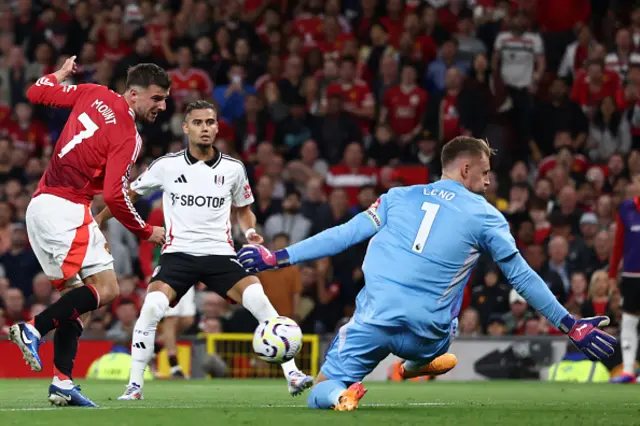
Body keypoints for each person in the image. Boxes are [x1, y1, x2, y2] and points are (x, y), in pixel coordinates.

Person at [239, 136, 617, 411]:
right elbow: (520, 276)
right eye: (484, 173)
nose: (488, 182)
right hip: (429, 332)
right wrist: (569, 324)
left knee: (322, 389)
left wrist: (277, 258)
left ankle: (343, 396)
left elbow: (344, 235)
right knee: (450, 300)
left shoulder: (396, 197)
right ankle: (415, 364)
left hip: (373, 320)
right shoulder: (486, 216)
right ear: (465, 168)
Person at [94, 100, 314, 400]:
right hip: (178, 255)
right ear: (186, 128)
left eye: (210, 122)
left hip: (220, 255)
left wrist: (250, 232)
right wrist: (97, 221)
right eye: (198, 122)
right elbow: (125, 195)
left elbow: (244, 210)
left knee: (258, 299)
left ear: (217, 127)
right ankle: (134, 386)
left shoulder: (233, 169)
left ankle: (292, 374)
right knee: (151, 308)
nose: (205, 128)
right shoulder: (166, 166)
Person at [9, 57, 169, 407]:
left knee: (77, 301)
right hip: (65, 208)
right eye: (156, 98)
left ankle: (62, 381)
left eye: (165, 99)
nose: (163, 106)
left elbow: (36, 92)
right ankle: (32, 328)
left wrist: (58, 75)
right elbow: (114, 194)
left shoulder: (93, 93)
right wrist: (144, 231)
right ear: (133, 94)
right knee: (108, 290)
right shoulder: (129, 136)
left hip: (42, 205)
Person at [608, 185, 640, 383]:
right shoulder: (626, 210)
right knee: (628, 320)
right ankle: (628, 370)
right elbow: (618, 244)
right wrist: (612, 275)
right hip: (631, 275)